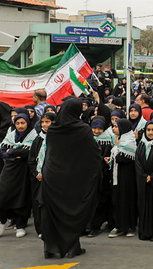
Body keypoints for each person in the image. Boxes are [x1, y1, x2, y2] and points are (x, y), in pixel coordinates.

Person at [39, 98, 102, 258]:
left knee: (52, 212)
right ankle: (72, 247)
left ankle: (50, 248)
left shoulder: (53, 129)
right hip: (74, 178)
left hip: (52, 176)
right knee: (71, 212)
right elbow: (93, 154)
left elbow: (50, 152)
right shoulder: (82, 129)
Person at [0, 113, 37, 238]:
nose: (20, 126)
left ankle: (20, 226)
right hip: (9, 169)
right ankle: (2, 221)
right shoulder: (10, 135)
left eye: (23, 123)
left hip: (24, 171)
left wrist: (11, 151)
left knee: (22, 197)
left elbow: (28, 152)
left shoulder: (33, 135)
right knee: (3, 194)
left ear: (28, 123)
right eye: (17, 123)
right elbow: (2, 151)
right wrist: (14, 153)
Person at [108, 119, 137, 238]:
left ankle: (130, 226)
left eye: (115, 126)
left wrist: (115, 147)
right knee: (117, 200)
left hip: (127, 177)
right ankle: (119, 226)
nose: (113, 129)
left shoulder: (129, 141)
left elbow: (120, 158)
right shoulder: (120, 139)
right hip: (118, 175)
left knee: (127, 200)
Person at [135, 119, 153, 241]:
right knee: (144, 205)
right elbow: (137, 162)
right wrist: (143, 176)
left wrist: (152, 176)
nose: (150, 133)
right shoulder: (141, 144)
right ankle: (144, 232)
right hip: (144, 181)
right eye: (148, 130)